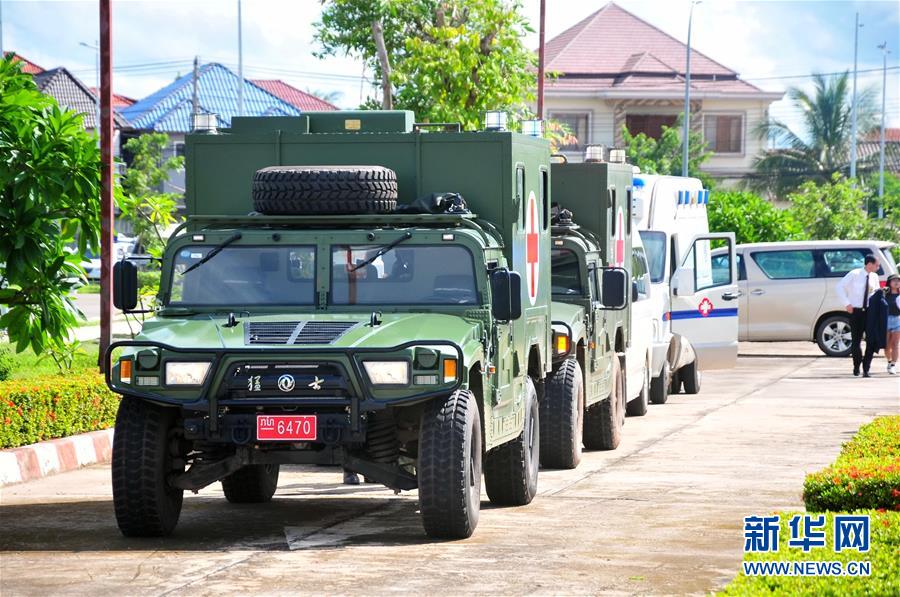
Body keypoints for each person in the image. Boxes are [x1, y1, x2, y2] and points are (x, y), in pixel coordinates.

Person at [835, 255, 880, 376]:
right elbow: (839, 287)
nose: (878, 267)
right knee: (856, 341)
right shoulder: (854, 274)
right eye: (876, 265)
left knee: (871, 341)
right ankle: (856, 366)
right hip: (856, 311)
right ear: (869, 264)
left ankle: (866, 368)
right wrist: (847, 303)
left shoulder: (874, 277)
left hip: (870, 312)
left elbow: (876, 293)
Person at [884, 274, 900, 375]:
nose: (896, 282)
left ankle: (893, 364)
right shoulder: (884, 294)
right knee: (886, 345)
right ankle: (889, 361)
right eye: (894, 280)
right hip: (886, 320)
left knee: (895, 344)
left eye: (898, 280)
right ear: (889, 282)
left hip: (897, 319)